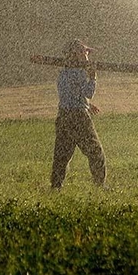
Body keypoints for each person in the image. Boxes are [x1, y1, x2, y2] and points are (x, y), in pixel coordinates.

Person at [51, 39, 106, 189]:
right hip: (79, 117)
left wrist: (87, 105)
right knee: (95, 152)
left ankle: (56, 187)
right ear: (77, 54)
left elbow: (71, 95)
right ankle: (99, 186)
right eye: (85, 52)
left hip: (63, 116)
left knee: (62, 155)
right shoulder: (80, 73)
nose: (88, 55)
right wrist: (93, 77)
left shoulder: (63, 73)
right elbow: (88, 92)